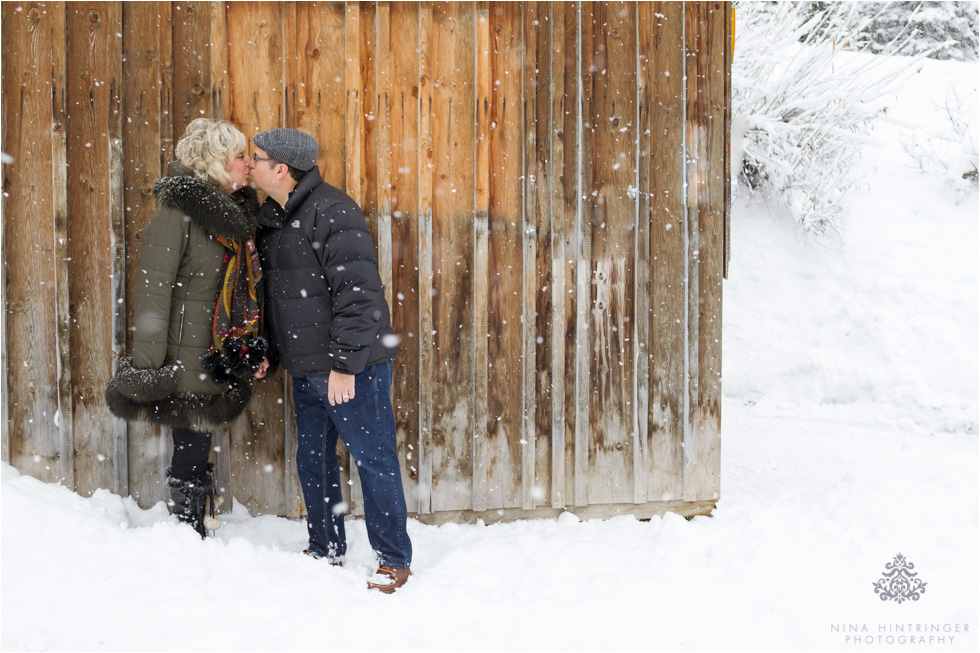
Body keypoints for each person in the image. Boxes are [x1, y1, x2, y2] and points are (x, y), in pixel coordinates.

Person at [249, 128, 412, 593]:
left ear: (281, 168)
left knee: (373, 459)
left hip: (352, 368)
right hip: (307, 367)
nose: (250, 163)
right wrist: (271, 352)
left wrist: (344, 366)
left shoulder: (334, 211)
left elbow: (360, 298)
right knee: (313, 461)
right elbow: (282, 299)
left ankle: (394, 559)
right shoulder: (273, 218)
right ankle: (325, 547)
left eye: (256, 157)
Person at [105, 118, 267, 538]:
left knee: (198, 439)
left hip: (212, 352)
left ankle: (198, 521)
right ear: (215, 164)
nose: (248, 164)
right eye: (239, 156)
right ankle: (188, 528)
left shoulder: (230, 221)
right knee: (192, 443)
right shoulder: (175, 218)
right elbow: (153, 300)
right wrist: (148, 371)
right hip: (184, 357)